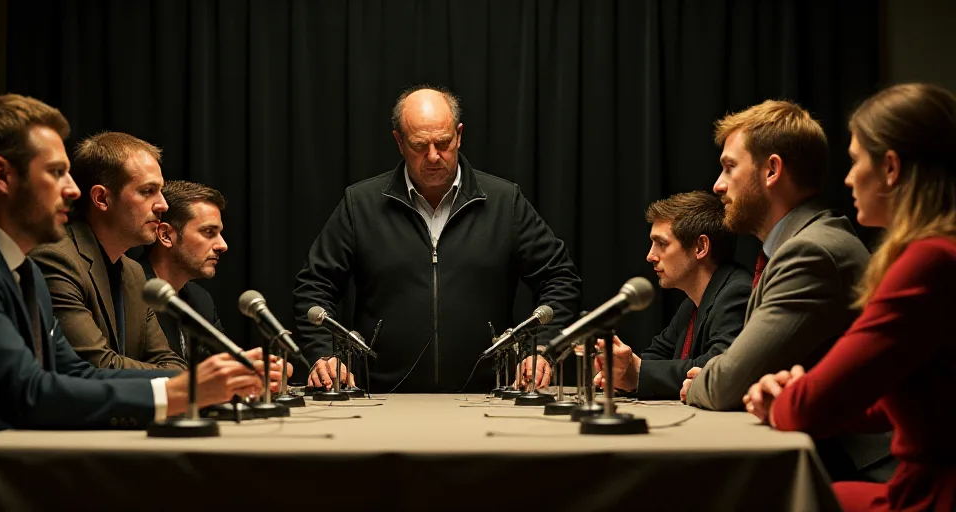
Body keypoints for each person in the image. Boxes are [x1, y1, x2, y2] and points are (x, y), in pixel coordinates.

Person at [0, 94, 266, 442]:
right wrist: (180, 392)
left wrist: (208, 381)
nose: (73, 189)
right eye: (56, 172)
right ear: (1, 175)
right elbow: (27, 392)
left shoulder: (22, 268)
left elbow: (74, 372)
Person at [744, 83, 956, 512]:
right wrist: (800, 392)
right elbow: (896, 401)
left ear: (891, 168)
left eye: (856, 160)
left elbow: (810, 411)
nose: (846, 178)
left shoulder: (929, 262)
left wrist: (785, 399)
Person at [293, 85, 582, 393]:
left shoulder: (504, 201)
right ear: (399, 142)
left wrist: (543, 349)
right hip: (381, 398)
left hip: (488, 395)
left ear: (458, 135)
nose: (433, 156)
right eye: (419, 145)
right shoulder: (360, 204)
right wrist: (325, 355)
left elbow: (560, 278)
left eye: (443, 142)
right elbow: (314, 287)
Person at [681, 99, 892, 481]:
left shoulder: (810, 252)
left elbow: (728, 384)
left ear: (772, 170)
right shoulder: (799, 244)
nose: (718, 185)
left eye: (730, 167)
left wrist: (706, 377)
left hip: (863, 471)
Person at [30, 132, 185, 369]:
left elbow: (172, 361)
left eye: (160, 191)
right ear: (102, 198)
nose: (163, 205)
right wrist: (186, 382)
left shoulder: (134, 273)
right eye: (147, 191)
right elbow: (96, 364)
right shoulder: (56, 259)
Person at [593, 191, 750, 400]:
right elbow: (655, 358)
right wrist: (622, 370)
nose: (650, 256)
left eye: (662, 243)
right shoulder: (691, 303)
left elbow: (719, 367)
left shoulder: (737, 292)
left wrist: (637, 373)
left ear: (701, 247)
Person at [137, 180, 227, 361]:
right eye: (209, 232)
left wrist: (254, 369)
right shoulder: (129, 292)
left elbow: (223, 365)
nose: (222, 245)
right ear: (165, 235)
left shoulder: (201, 300)